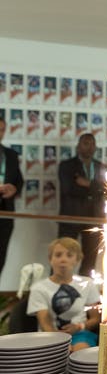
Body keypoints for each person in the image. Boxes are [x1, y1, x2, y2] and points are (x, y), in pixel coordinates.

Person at [28, 238, 100, 352]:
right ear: (50, 259)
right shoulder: (38, 288)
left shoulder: (88, 284)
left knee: (80, 354)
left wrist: (79, 327)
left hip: (80, 334)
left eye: (69, 255)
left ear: (77, 260)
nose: (63, 259)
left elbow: (96, 318)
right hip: (49, 336)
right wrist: (60, 342)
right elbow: (45, 324)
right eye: (58, 255)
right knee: (63, 353)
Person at [58, 133, 104, 275]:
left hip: (94, 217)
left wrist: (87, 183)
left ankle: (83, 292)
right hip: (71, 216)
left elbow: (106, 191)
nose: (89, 147)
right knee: (63, 256)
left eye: (92, 144)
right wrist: (94, 188)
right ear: (78, 146)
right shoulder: (66, 166)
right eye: (86, 143)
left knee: (90, 258)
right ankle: (57, 290)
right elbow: (68, 189)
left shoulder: (99, 166)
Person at [0, 118, 24, 279]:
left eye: (2, 129)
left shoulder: (10, 155)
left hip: (6, 213)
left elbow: (19, 181)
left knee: (1, 256)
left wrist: (14, 189)